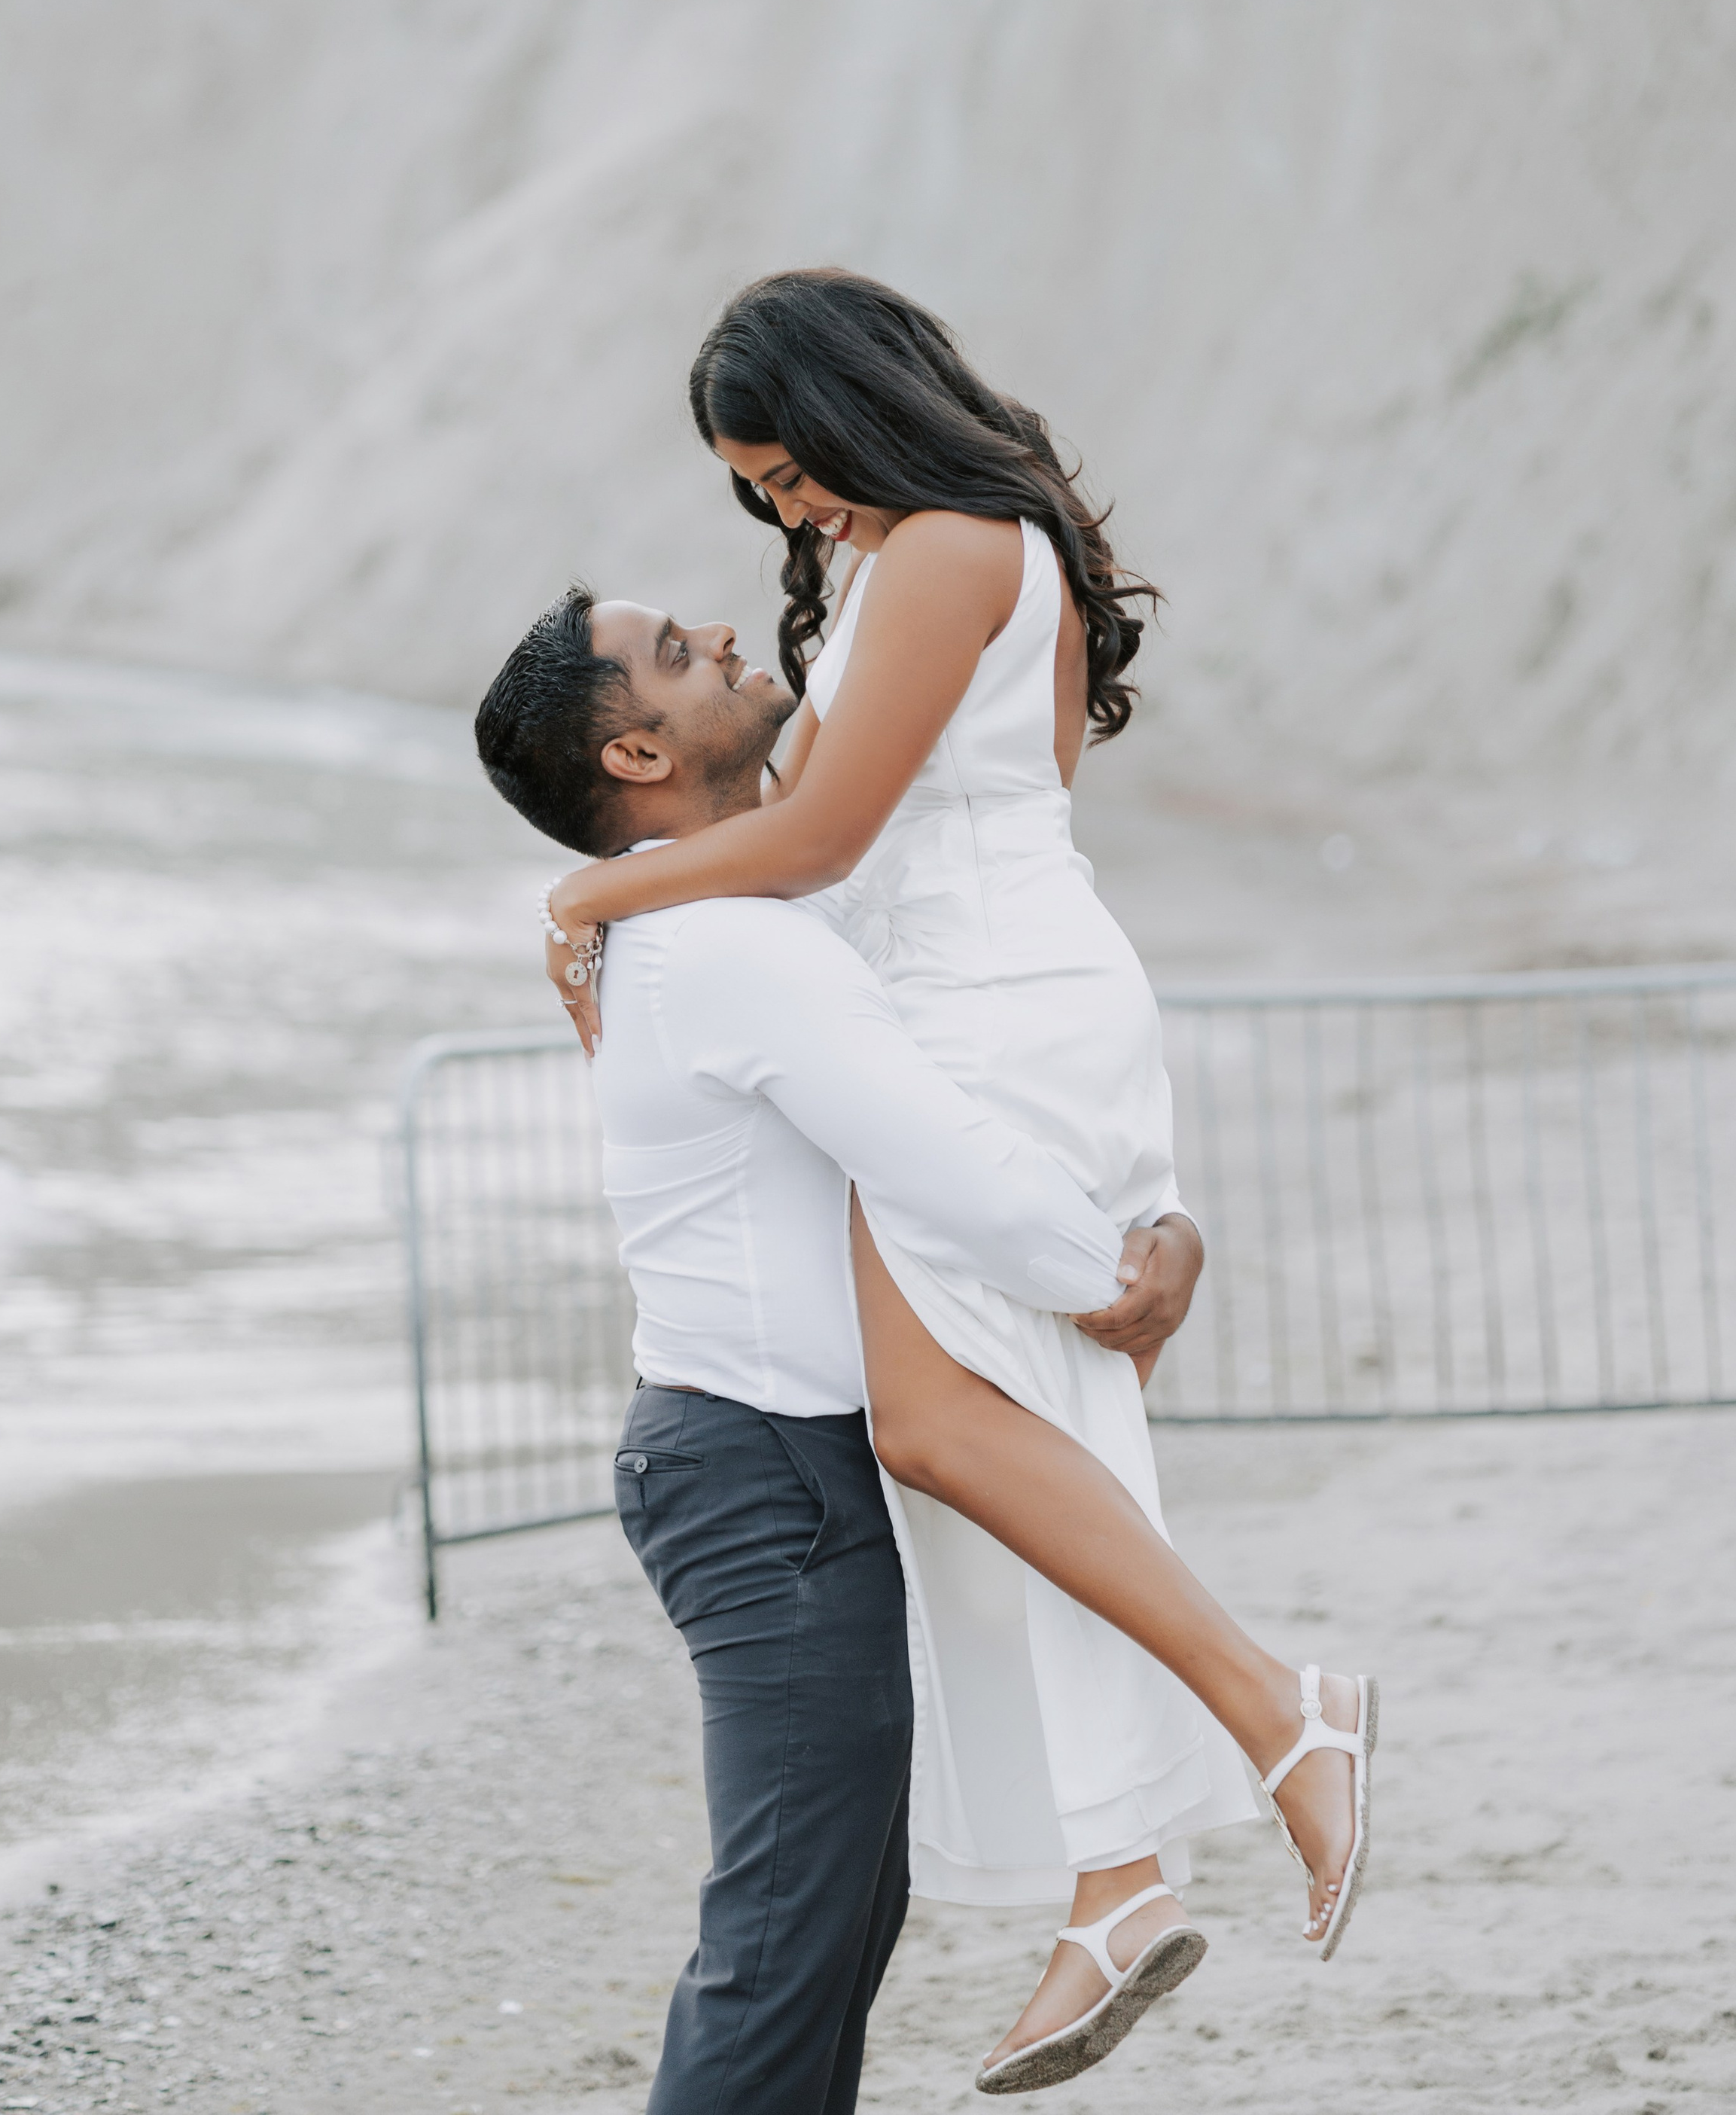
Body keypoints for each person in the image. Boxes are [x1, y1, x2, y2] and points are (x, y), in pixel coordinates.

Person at [477, 570, 1376, 2098]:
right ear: (632, 754)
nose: (716, 632)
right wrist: (1124, 1261)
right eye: (674, 653)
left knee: (827, 1919)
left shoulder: (725, 920)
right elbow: (943, 1161)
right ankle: (1248, 1748)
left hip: (765, 1468)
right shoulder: (725, 950)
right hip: (755, 1475)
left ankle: (1143, 1854)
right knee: (785, 1937)